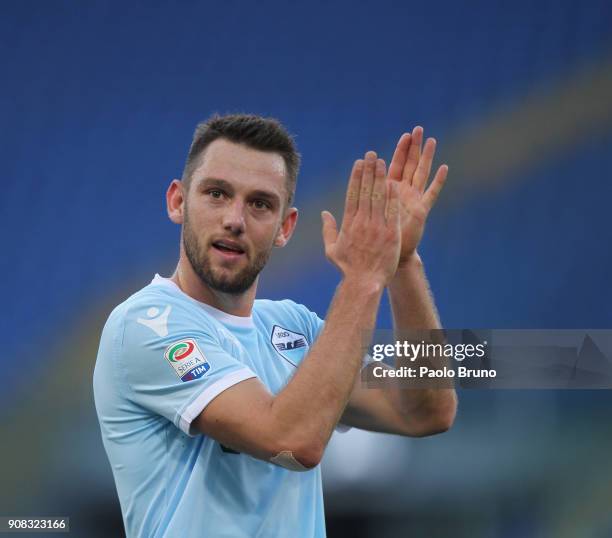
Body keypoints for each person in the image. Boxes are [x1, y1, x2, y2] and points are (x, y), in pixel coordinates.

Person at [93, 113, 457, 538]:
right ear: (177, 201)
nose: (235, 219)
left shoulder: (294, 327)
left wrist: (402, 261)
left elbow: (425, 411)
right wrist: (363, 278)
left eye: (260, 204)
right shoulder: (145, 325)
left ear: (285, 227)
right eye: (216, 193)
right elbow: (292, 441)